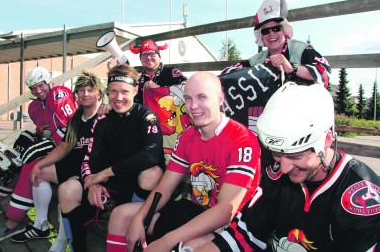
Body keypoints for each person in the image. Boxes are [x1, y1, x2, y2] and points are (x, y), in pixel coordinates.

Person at [199, 82, 380, 252]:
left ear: (326, 140)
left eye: (295, 155)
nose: (283, 168)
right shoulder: (274, 177)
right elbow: (245, 235)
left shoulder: (362, 196)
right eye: (276, 154)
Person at [108, 71, 261, 252]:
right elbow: (165, 187)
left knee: (185, 247)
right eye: (188, 98)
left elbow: (225, 212)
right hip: (196, 209)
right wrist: (139, 218)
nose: (193, 106)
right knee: (121, 215)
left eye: (202, 97)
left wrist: (168, 240)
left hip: (233, 223)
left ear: (220, 99)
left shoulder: (242, 139)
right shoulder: (188, 135)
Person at [58, 64, 165, 251]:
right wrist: (92, 183)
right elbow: (88, 159)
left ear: (135, 90)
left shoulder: (146, 116)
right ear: (107, 92)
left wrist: (105, 173)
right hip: (110, 189)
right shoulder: (102, 120)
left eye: (124, 91)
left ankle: (134, 225)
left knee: (151, 173)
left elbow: (152, 154)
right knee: (67, 189)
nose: (119, 97)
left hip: (138, 190)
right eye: (113, 91)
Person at [2, 72, 103, 251]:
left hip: (92, 168)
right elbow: (64, 146)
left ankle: (61, 242)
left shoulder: (105, 116)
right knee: (38, 172)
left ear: (99, 95)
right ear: (76, 95)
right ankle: (40, 224)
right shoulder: (77, 118)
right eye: (81, 90)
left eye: (90, 90)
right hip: (74, 160)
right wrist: (39, 164)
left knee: (66, 193)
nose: (85, 94)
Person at [0, 66, 78, 244]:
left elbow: (69, 130)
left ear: (48, 82)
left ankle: (13, 221)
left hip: (70, 147)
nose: (38, 90)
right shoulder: (35, 106)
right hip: (56, 143)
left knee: (29, 166)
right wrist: (42, 131)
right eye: (34, 88)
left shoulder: (58, 93)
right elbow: (45, 130)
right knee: (14, 153)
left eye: (41, 85)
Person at [221, 0, 331, 87]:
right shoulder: (257, 60)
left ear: (284, 30)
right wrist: (255, 70)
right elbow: (226, 73)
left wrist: (292, 68)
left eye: (276, 29)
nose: (271, 34)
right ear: (262, 37)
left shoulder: (302, 50)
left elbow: (325, 73)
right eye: (265, 31)